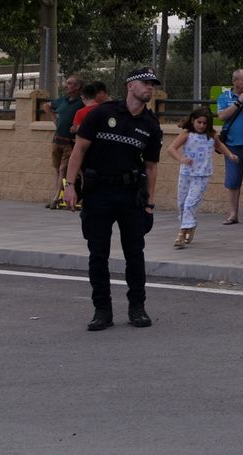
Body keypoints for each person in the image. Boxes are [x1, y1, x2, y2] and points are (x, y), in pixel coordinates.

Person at [62, 67, 164, 331]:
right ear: (131, 85)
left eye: (152, 85)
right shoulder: (102, 113)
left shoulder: (150, 124)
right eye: (145, 83)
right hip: (98, 193)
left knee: (135, 253)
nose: (150, 88)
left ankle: (137, 308)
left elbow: (151, 166)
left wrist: (150, 202)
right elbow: (78, 151)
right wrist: (69, 186)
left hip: (131, 195)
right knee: (98, 253)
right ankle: (102, 310)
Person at [167, 106, 238, 249]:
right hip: (186, 173)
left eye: (205, 123)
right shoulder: (186, 134)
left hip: (202, 175)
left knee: (190, 203)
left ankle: (181, 234)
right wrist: (181, 159)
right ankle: (189, 225)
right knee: (182, 204)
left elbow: (220, 146)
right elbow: (171, 149)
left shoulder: (211, 135)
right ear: (193, 121)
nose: (201, 126)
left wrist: (230, 155)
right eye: (199, 122)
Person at [215, 69, 243, 225]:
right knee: (233, 180)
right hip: (232, 145)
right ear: (235, 81)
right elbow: (222, 116)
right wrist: (239, 102)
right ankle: (233, 214)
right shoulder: (224, 97)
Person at [43, 75, 84, 209]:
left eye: (69, 83)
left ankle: (56, 199)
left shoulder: (81, 102)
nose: (66, 85)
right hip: (57, 140)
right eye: (66, 83)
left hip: (69, 142)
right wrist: (54, 119)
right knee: (58, 170)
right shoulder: (63, 100)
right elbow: (46, 106)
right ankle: (60, 196)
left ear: (77, 86)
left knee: (63, 169)